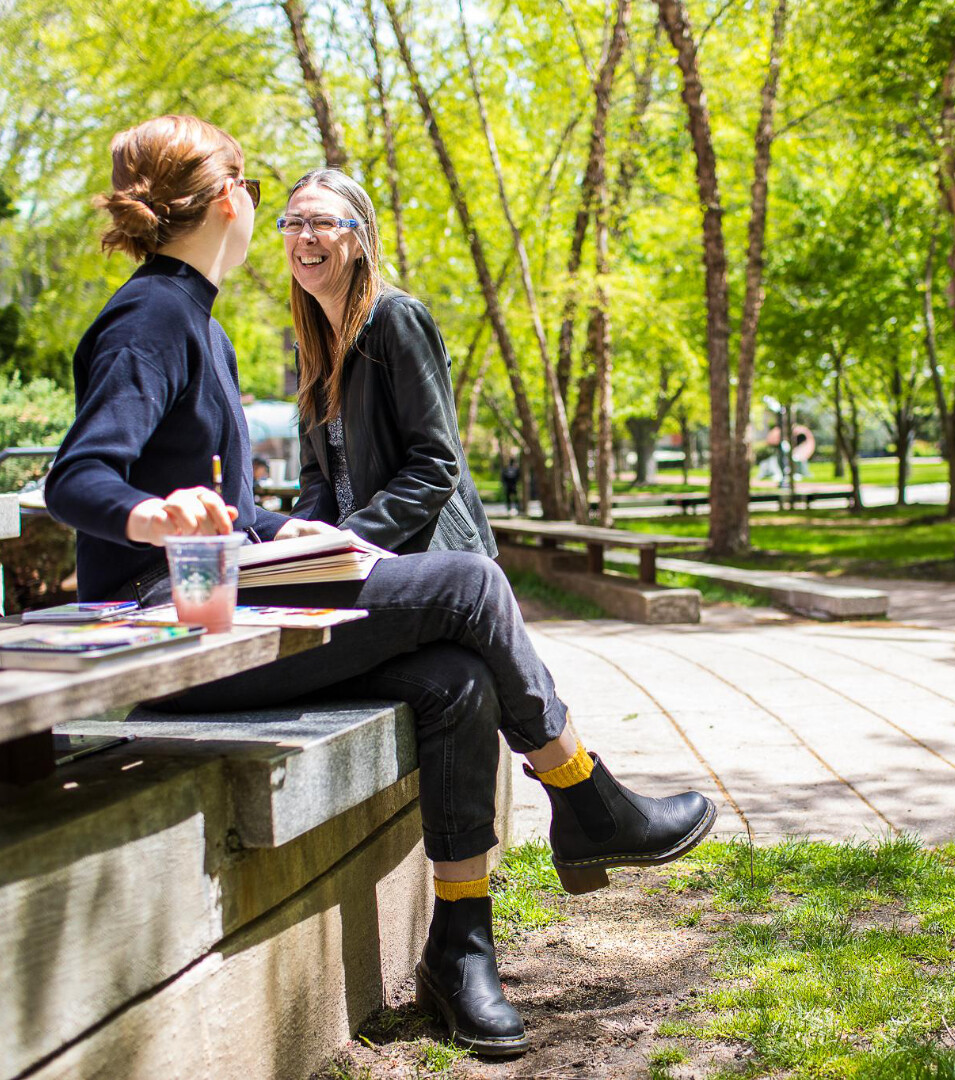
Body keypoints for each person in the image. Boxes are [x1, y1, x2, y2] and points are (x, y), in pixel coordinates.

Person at [44, 115, 715, 1059]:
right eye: (270, 205)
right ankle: (587, 797)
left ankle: (460, 944)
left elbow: (230, 510)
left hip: (218, 610)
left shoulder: (200, 321)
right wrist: (154, 519)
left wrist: (294, 532)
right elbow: (78, 478)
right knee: (473, 587)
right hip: (174, 633)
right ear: (233, 203)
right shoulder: (152, 317)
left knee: (455, 681)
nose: (288, 228)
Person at [280, 168, 497, 556]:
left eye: (323, 222)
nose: (305, 236)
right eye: (293, 223)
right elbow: (318, 476)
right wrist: (300, 540)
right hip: (355, 559)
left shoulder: (398, 320)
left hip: (429, 558)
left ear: (361, 242)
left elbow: (436, 465)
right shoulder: (310, 347)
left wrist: (352, 536)